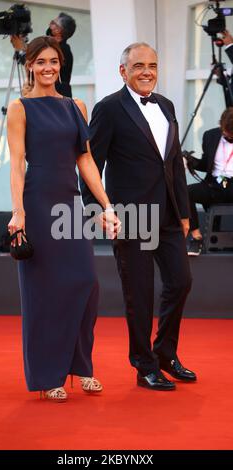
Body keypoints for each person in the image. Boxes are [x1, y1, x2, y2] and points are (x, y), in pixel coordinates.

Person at [7, 36, 121, 402]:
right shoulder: (20, 108)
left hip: (69, 204)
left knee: (86, 283)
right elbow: (16, 164)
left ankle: (81, 367)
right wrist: (18, 211)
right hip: (38, 201)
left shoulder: (76, 106)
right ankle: (48, 375)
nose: (48, 68)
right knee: (44, 292)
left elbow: (84, 160)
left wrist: (106, 204)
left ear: (61, 65)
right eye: (40, 62)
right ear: (30, 65)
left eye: (53, 61)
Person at [81, 42, 196, 391]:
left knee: (181, 282)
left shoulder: (166, 105)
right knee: (140, 294)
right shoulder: (109, 109)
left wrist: (185, 211)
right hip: (131, 216)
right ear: (123, 71)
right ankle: (144, 364)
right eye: (138, 66)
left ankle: (164, 353)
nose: (147, 72)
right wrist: (98, 209)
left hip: (170, 214)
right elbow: (90, 163)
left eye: (152, 65)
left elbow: (174, 162)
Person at [186, 107, 233, 256]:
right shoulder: (210, 136)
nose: (227, 135)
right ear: (221, 125)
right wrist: (191, 161)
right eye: (225, 131)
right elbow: (206, 164)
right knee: (186, 192)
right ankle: (196, 238)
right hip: (215, 185)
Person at [11, 12, 76, 97]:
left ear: (58, 30)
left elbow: (33, 61)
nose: (49, 24)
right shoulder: (60, 48)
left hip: (57, 98)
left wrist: (22, 50)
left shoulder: (62, 50)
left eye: (53, 23)